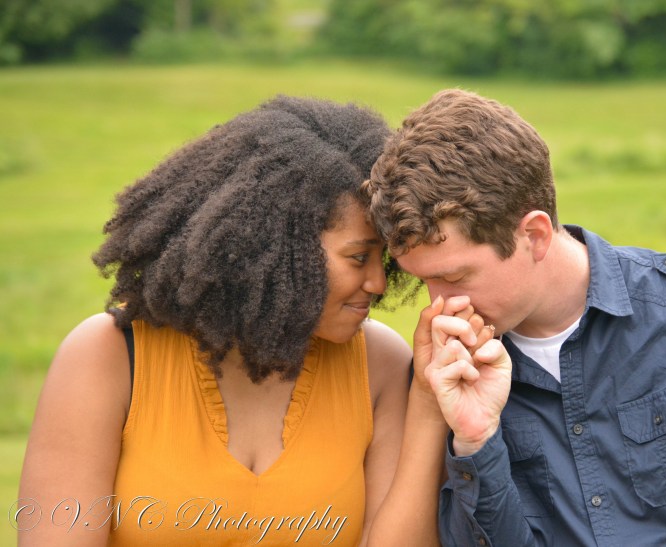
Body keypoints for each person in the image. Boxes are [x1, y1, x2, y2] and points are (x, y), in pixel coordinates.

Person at [16, 95, 494, 546]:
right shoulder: (108, 356)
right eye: (357, 257)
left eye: (382, 259)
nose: (379, 283)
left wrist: (427, 404)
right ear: (278, 248)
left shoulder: (382, 364)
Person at [363, 88, 666, 546]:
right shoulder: (447, 375)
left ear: (535, 235)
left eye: (455, 276)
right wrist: (476, 441)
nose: (440, 306)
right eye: (425, 283)